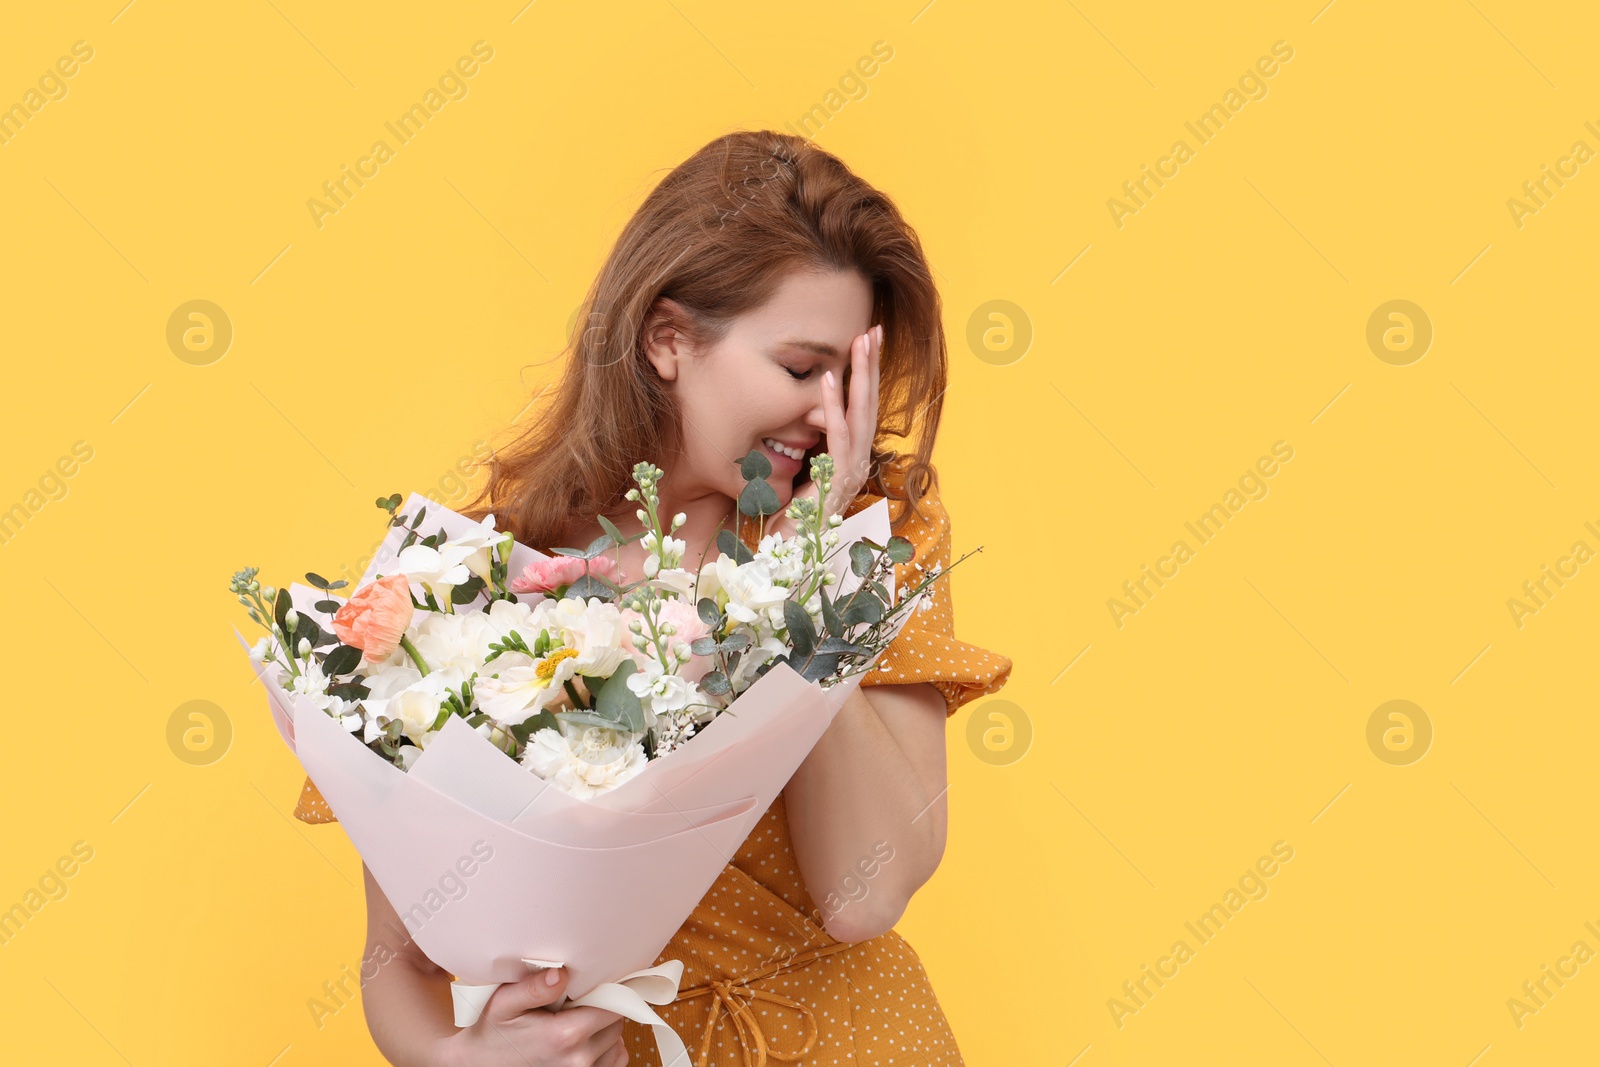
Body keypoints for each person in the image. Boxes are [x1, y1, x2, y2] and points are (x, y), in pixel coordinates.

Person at [290, 129, 1012, 1066]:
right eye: (801, 369)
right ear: (667, 338)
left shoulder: (877, 538)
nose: (830, 415)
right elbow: (399, 956)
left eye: (852, 380)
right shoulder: (483, 573)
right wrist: (454, 1058)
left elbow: (862, 896)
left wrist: (793, 585)